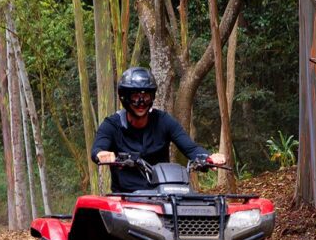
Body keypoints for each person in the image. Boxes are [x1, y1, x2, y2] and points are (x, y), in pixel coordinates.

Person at [91, 66, 225, 193]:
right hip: (126, 197)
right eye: (135, 96)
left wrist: (208, 158)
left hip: (162, 194)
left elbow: (190, 148)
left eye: (146, 96)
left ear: (152, 97)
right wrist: (102, 154)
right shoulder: (112, 125)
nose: (141, 102)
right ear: (124, 97)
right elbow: (98, 148)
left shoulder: (164, 121)